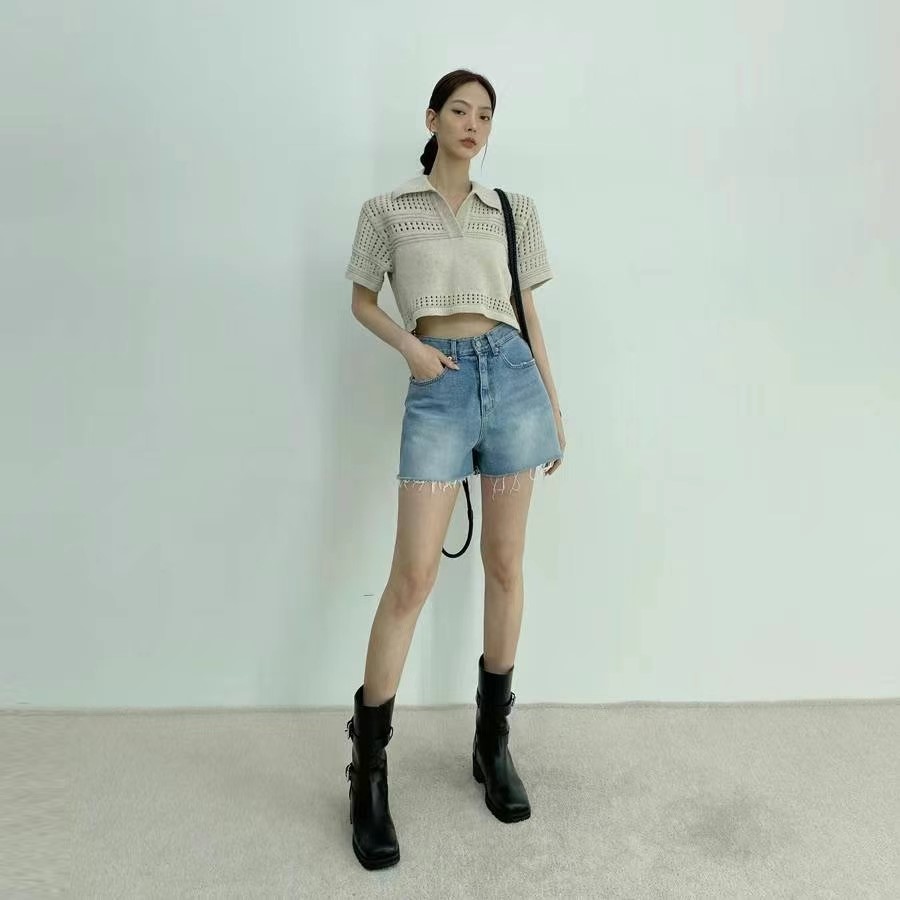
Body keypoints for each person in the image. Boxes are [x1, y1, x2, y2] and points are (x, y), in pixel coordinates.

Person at [342, 68, 566, 870]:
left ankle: (491, 743)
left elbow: (528, 312)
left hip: (513, 384)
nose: (474, 124)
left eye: (486, 115)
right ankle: (368, 770)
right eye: (460, 110)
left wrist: (553, 406)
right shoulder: (387, 209)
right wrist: (410, 348)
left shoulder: (513, 210)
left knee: (505, 565)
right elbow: (363, 299)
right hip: (437, 388)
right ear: (433, 118)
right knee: (411, 578)